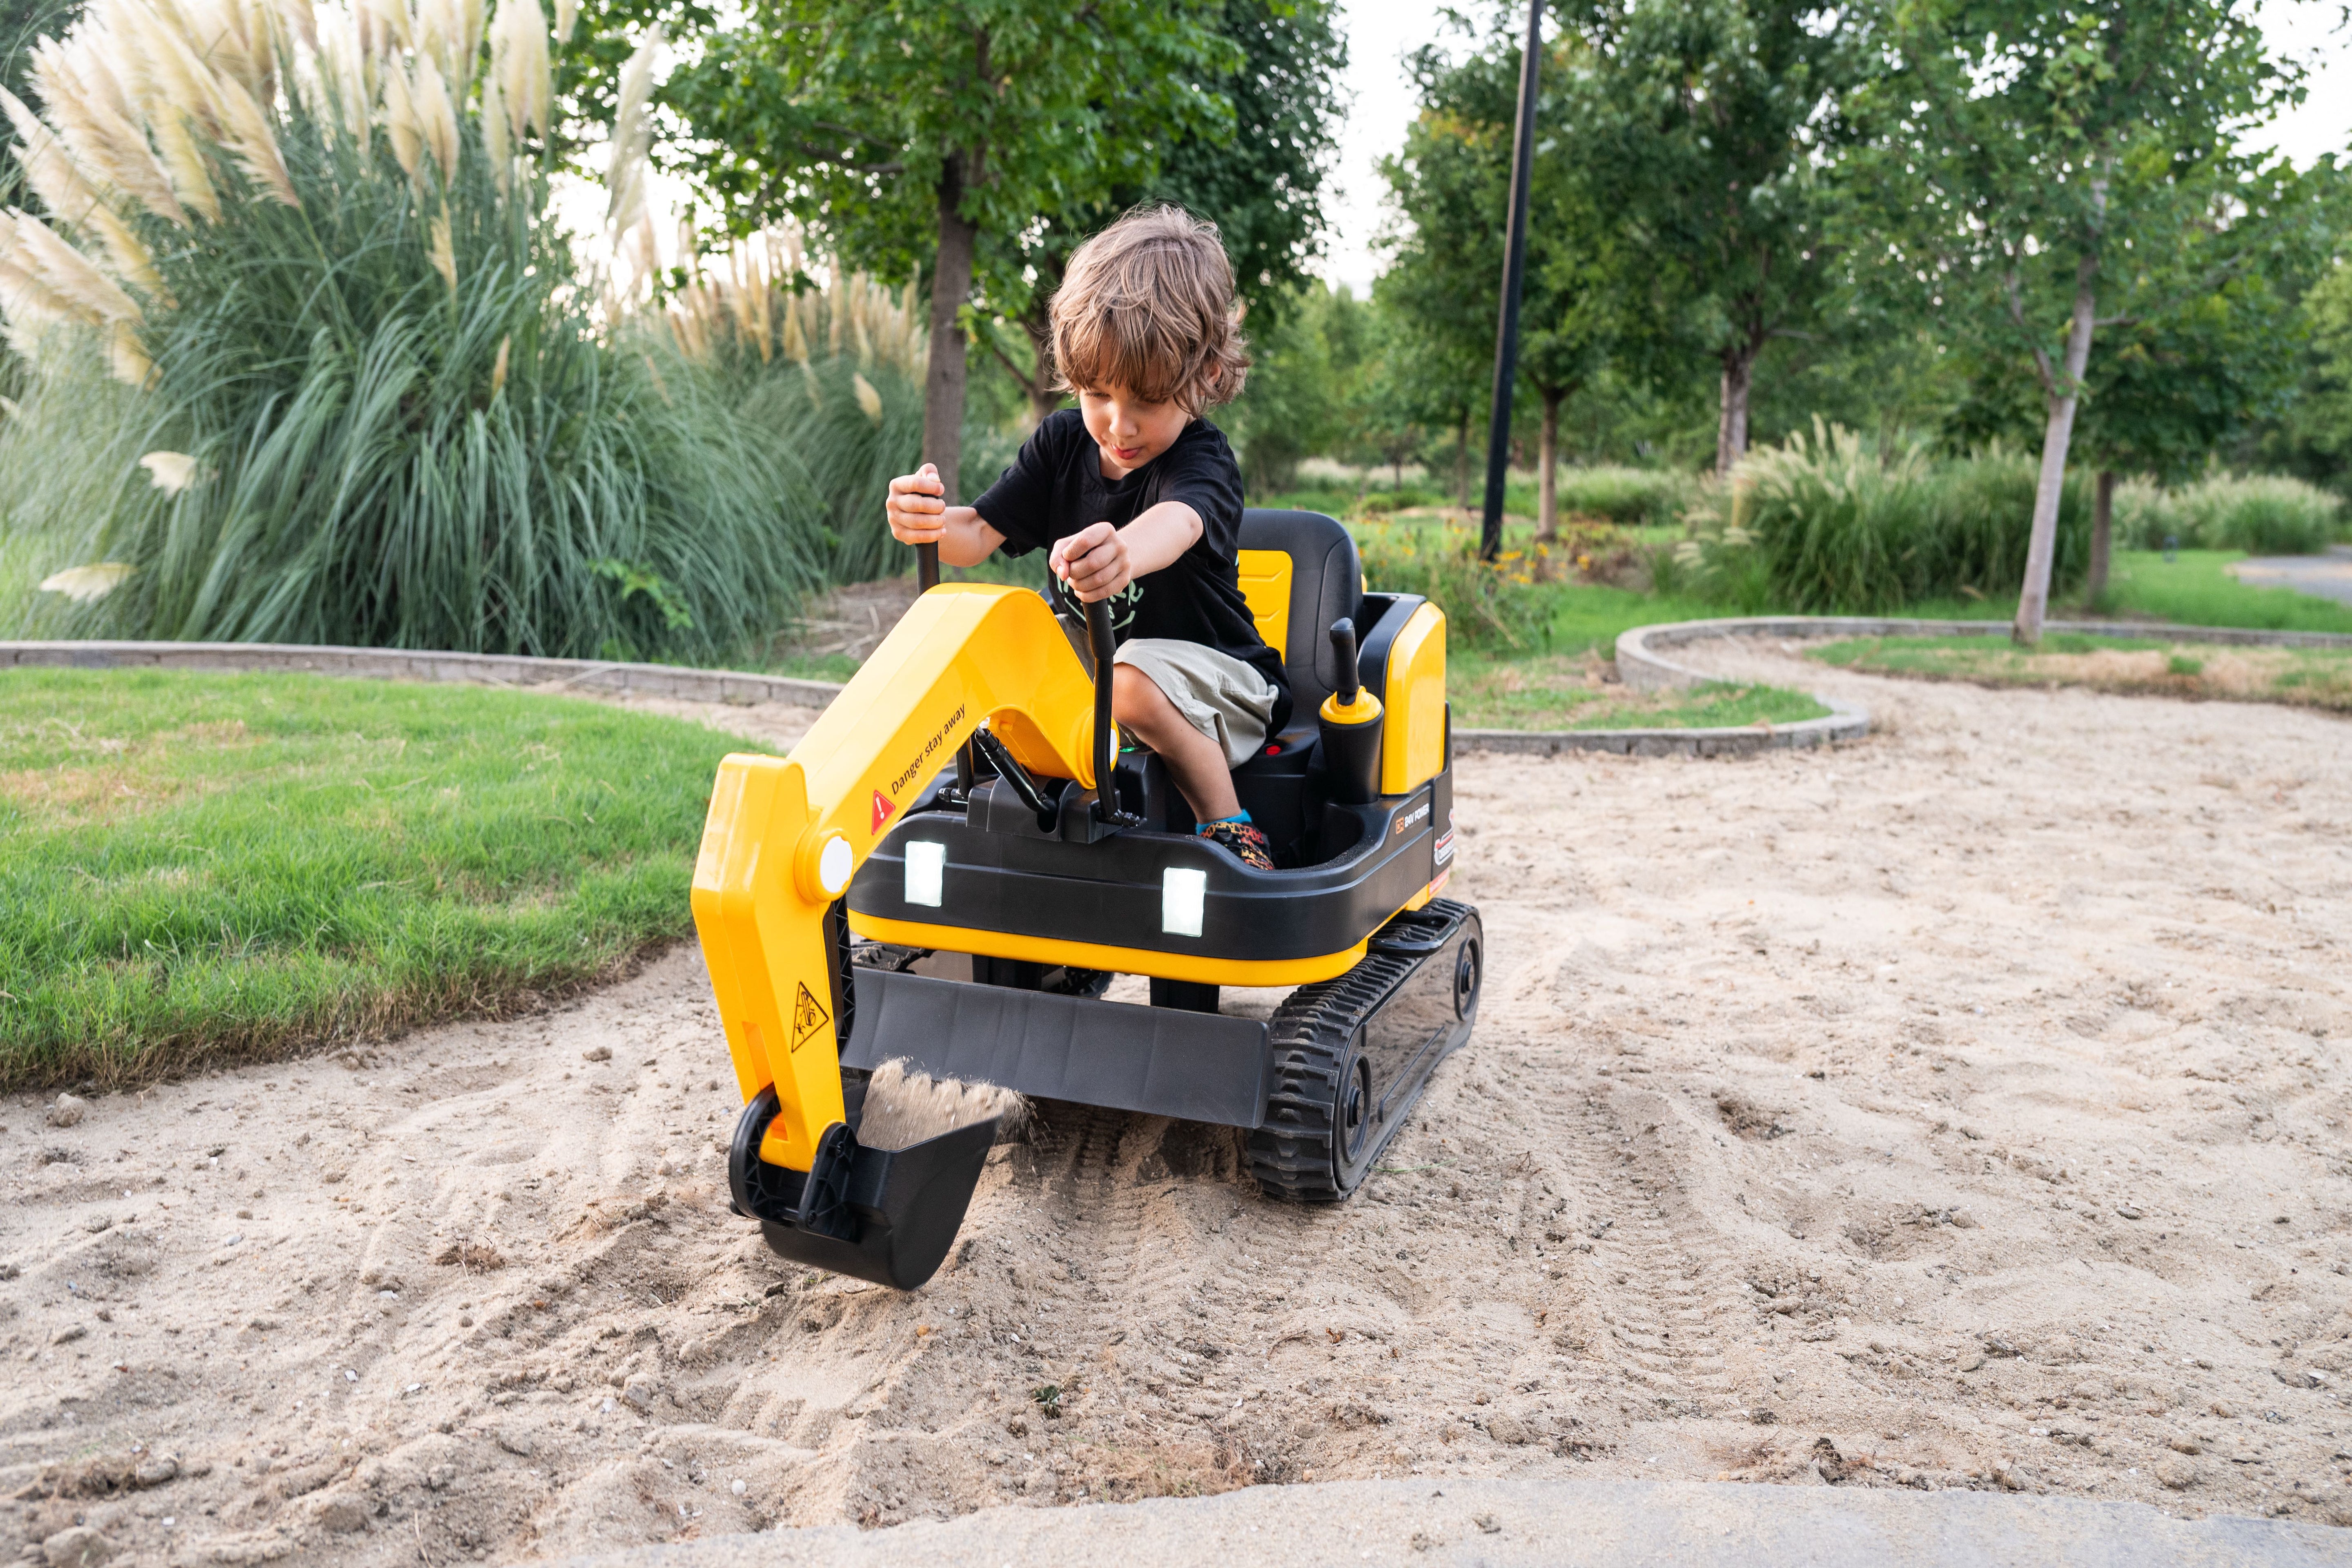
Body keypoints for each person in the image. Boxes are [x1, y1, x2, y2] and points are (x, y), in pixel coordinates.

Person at [883, 205, 1289, 871]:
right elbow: (978, 532)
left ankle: (1231, 827)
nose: (1119, 426)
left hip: (1223, 688)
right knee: (1005, 653)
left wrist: (1124, 552)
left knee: (1125, 681)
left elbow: (1180, 522)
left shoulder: (1202, 459)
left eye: (1149, 402)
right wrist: (927, 520)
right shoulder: (1063, 441)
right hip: (1097, 687)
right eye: (1098, 393)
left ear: (1207, 377)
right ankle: (988, 819)